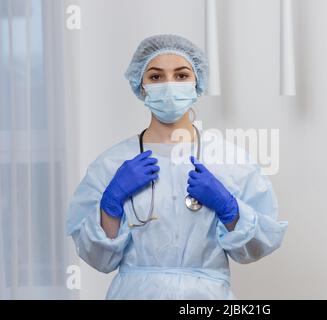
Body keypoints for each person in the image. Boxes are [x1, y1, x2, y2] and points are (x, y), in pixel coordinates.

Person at [66, 34, 288, 299]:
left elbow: (259, 246)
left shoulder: (230, 161)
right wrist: (109, 204)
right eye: (156, 77)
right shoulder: (112, 164)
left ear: (197, 84)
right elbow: (98, 259)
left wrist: (230, 208)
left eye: (181, 76)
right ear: (141, 85)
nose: (169, 85)